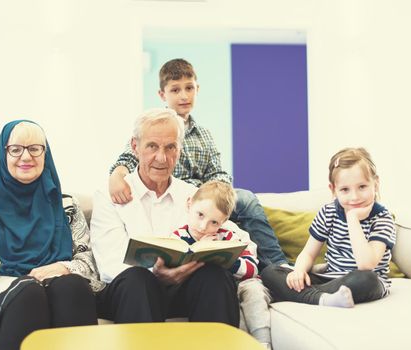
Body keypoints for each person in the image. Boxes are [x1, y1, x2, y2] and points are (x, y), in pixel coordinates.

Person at [109, 58, 287, 271]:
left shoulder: (204, 135)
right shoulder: (154, 127)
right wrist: (116, 175)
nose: (184, 95)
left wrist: (210, 193)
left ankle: (278, 265)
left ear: (197, 89)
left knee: (246, 199)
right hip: (184, 200)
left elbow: (218, 172)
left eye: (189, 88)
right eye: (175, 90)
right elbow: (129, 159)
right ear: (162, 95)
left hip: (206, 197)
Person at [91, 108, 240, 326]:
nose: (162, 158)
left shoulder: (192, 195)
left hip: (182, 289)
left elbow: (233, 234)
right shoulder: (110, 195)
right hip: (130, 292)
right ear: (135, 147)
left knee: (215, 277)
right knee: (138, 279)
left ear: (179, 150)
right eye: (152, 146)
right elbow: (110, 265)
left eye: (170, 147)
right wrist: (156, 274)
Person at [0, 120, 101, 350]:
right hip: (4, 288)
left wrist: (63, 268)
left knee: (72, 286)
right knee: (29, 292)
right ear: (3, 153)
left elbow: (88, 262)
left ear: (46, 153)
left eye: (35, 148)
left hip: (57, 283)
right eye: (15, 149)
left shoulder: (67, 205)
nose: (26, 157)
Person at [261, 147, 396, 307]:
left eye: (362, 187)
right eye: (345, 190)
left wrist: (352, 219)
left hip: (362, 281)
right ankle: (323, 299)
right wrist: (299, 271)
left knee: (368, 279)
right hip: (330, 278)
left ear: (376, 183)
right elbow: (309, 253)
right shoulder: (329, 211)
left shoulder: (382, 218)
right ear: (333, 190)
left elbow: (366, 265)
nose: (355, 197)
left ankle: (304, 295)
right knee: (270, 272)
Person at [172, 180, 272, 348]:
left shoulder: (229, 237)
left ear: (224, 221)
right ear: (189, 204)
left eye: (214, 223)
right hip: (193, 293)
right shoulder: (177, 237)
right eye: (200, 215)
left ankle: (262, 344)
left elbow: (252, 269)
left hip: (231, 287)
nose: (203, 227)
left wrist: (222, 257)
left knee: (253, 291)